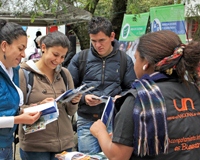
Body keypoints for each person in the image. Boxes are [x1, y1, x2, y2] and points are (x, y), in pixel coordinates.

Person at [90, 30, 200, 160]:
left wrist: (100, 131)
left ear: (146, 63)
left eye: (136, 58)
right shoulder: (194, 90)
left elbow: (117, 156)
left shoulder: (138, 98)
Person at [68, 16, 136, 154]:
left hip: (115, 120)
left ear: (112, 36)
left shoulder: (125, 59)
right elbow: (68, 90)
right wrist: (83, 98)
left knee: (112, 157)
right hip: (87, 120)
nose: (98, 45)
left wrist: (121, 98)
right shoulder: (80, 58)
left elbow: (132, 89)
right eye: (93, 41)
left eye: (101, 40)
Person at [18, 31, 82, 160]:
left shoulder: (65, 74)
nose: (58, 60)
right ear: (43, 48)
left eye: (63, 57)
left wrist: (74, 101)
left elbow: (70, 112)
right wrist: (38, 106)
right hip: (35, 146)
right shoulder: (24, 74)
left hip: (64, 144)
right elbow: (16, 110)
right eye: (55, 55)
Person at [0, 19, 41, 160]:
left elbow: (9, 108)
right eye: (20, 48)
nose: (24, 54)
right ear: (4, 46)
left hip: (7, 144)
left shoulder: (14, 71)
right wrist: (18, 119)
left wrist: (28, 109)